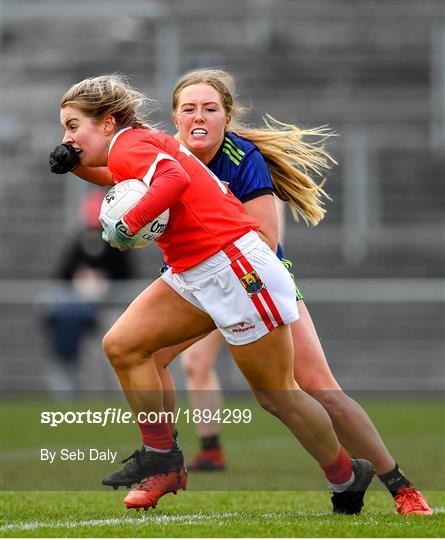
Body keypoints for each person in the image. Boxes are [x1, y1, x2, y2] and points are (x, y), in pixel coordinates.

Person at [50, 73, 375, 514]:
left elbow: (172, 181)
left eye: (72, 126)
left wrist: (129, 222)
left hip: (236, 268)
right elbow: (114, 171)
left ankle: (345, 475)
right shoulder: (131, 145)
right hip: (193, 271)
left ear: (107, 123)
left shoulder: (131, 144)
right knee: (124, 346)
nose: (67, 137)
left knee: (277, 395)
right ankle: (163, 458)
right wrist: (75, 161)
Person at [159, 68, 432, 516]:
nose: (199, 116)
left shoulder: (241, 156)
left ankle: (401, 487)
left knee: (319, 389)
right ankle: (164, 460)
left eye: (210, 108)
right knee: (143, 355)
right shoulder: (165, 159)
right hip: (196, 286)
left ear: (227, 116)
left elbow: (265, 240)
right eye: (188, 109)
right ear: (175, 118)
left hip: (257, 285)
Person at [44, 189, 133, 394]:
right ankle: (78, 393)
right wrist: (80, 277)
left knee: (112, 350)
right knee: (80, 351)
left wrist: (105, 281)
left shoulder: (119, 242)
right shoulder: (78, 242)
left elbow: (126, 274)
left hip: (111, 307)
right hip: (81, 310)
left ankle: (119, 395)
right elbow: (63, 273)